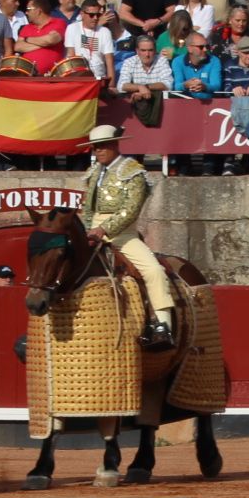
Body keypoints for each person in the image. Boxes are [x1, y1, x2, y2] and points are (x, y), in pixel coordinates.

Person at [79, 124, 174, 349]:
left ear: (114, 145)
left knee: (153, 270)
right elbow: (89, 209)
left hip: (122, 234)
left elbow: (131, 209)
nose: (98, 151)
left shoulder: (133, 171)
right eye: (94, 148)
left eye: (102, 147)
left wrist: (105, 229)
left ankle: (163, 325)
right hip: (92, 231)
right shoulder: (93, 173)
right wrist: (86, 229)